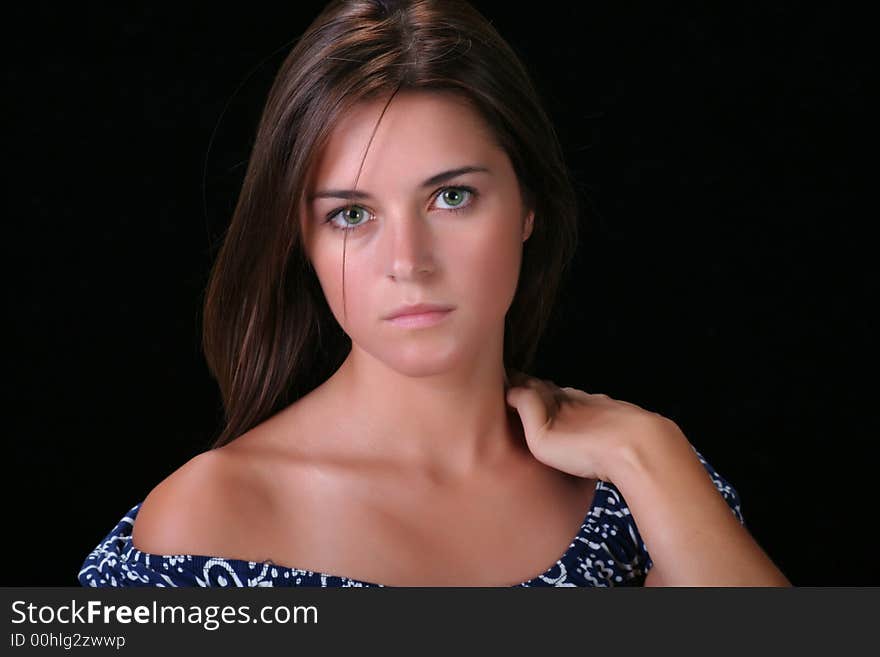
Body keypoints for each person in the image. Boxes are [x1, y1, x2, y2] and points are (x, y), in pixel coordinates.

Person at [78, 0, 790, 587]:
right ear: (304, 241)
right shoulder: (207, 524)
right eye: (351, 215)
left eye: (452, 196)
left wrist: (647, 449)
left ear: (528, 206)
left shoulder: (637, 490)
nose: (407, 262)